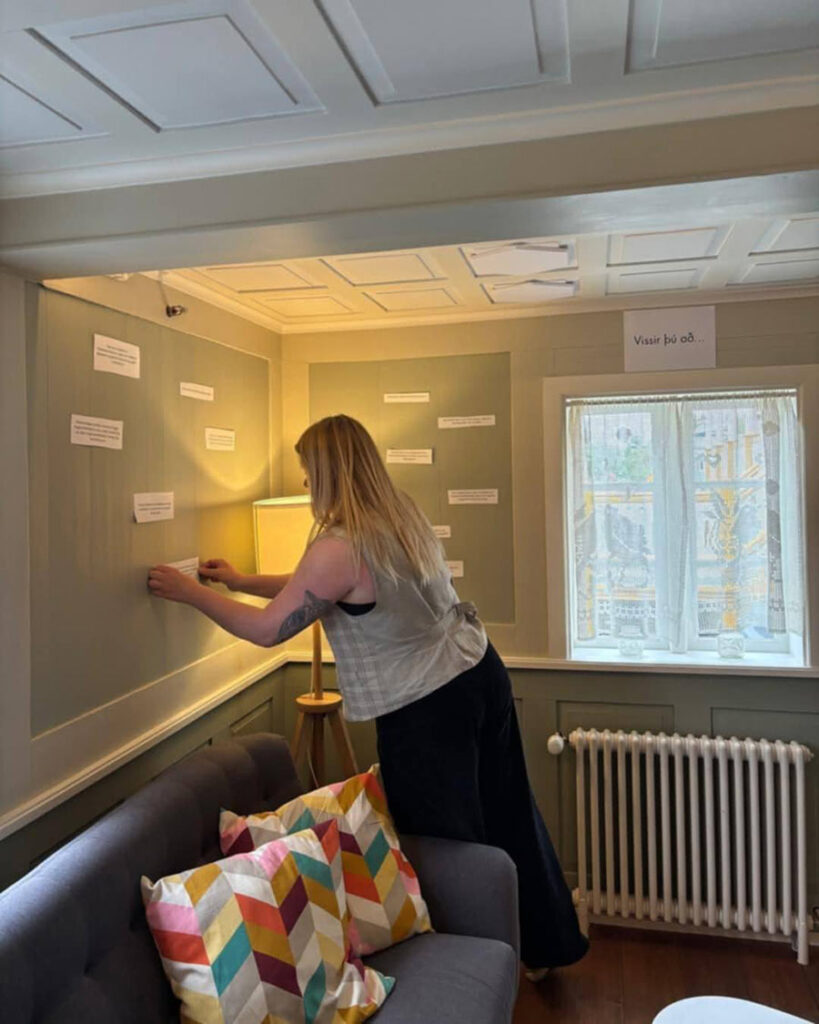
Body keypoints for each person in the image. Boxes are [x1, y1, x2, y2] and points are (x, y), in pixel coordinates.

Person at [148, 414, 588, 976]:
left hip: (427, 707)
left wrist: (190, 593)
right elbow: (313, 586)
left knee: (439, 841)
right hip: (478, 671)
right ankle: (546, 946)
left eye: (309, 470)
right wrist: (239, 581)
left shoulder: (340, 544)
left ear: (328, 470)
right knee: (508, 809)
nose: (305, 482)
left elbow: (268, 628)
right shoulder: (397, 514)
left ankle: (466, 966)